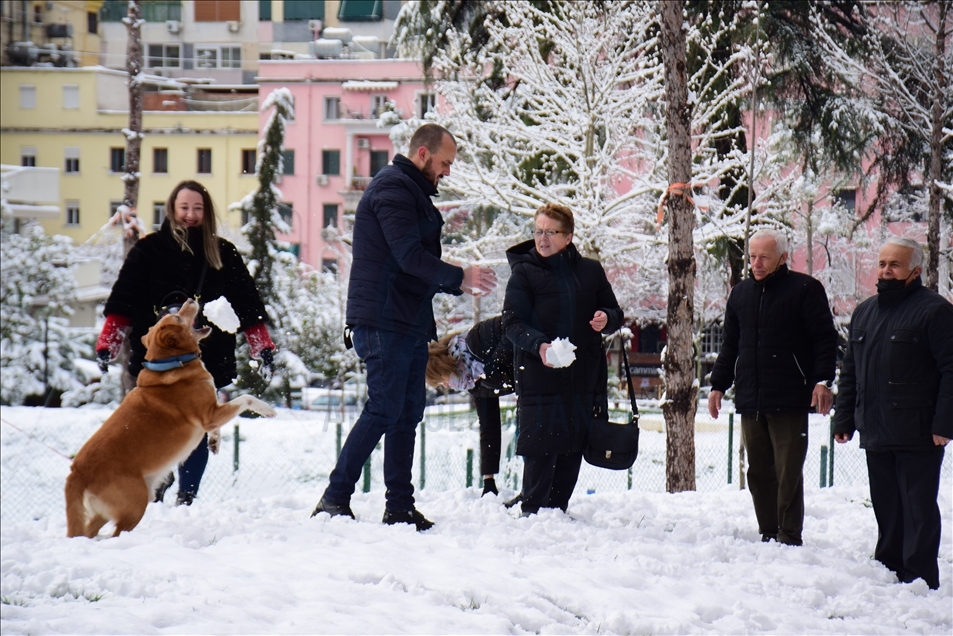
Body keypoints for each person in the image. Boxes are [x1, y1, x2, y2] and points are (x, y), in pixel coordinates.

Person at [311, 123, 497, 530]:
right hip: (382, 318)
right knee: (384, 407)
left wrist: (455, 284)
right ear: (423, 154)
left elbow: (411, 265)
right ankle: (335, 497)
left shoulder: (410, 191)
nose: (447, 172)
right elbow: (409, 256)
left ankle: (398, 506)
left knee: (408, 411)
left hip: (406, 319)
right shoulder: (392, 188)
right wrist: (460, 275)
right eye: (445, 163)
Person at [96, 180, 275, 506]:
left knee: (197, 427)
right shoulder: (148, 250)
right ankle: (156, 488)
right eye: (184, 208)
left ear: (206, 212)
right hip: (156, 360)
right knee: (153, 430)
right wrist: (107, 343)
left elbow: (247, 304)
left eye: (197, 208)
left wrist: (261, 345)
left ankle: (186, 498)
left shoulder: (223, 253)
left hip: (207, 358)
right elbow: (123, 300)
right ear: (172, 210)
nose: (191, 215)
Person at [833, 237, 952, 591]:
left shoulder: (935, 311)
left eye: (895, 265)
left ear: (914, 271)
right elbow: (850, 371)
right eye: (883, 263)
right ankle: (888, 565)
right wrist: (844, 420)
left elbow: (951, 369)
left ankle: (919, 576)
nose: (886, 270)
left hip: (918, 431)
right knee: (887, 505)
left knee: (918, 508)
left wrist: (945, 423)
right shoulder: (865, 311)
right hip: (875, 427)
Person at [709, 228, 837, 546]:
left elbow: (825, 339)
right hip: (751, 397)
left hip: (791, 397)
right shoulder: (740, 294)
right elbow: (730, 345)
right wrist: (718, 385)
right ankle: (768, 531)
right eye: (752, 256)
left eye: (764, 257)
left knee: (788, 471)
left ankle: (789, 534)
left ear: (782, 257)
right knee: (758, 471)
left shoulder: (805, 289)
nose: (757, 263)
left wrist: (823, 381)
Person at [501, 203, 623, 517]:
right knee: (541, 446)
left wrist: (604, 318)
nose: (542, 238)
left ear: (567, 237)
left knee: (572, 445)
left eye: (550, 232)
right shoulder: (524, 272)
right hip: (539, 374)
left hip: (582, 376)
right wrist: (540, 346)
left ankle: (558, 513)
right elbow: (511, 323)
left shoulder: (590, 270)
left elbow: (615, 312)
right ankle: (533, 511)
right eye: (538, 231)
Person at [426, 315, 515, 496]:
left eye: (440, 379)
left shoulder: (475, 341)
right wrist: (488, 480)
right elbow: (489, 428)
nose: (445, 386)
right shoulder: (474, 383)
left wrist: (494, 369)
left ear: (443, 366)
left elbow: (510, 325)